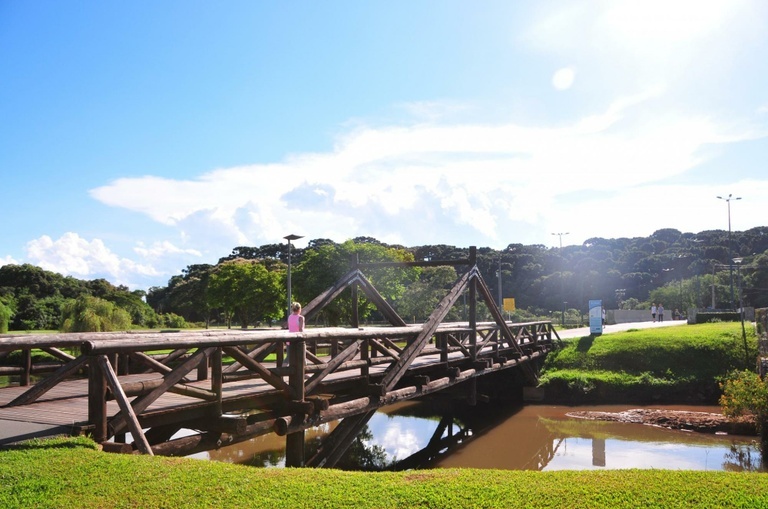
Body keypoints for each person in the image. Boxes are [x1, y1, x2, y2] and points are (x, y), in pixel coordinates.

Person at [285, 302, 304, 367]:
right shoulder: (301, 318)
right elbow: (301, 329)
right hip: (298, 340)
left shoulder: (290, 317)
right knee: (302, 357)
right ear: (299, 309)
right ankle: (304, 373)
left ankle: (281, 373)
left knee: (288, 358)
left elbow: (289, 327)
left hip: (289, 340)